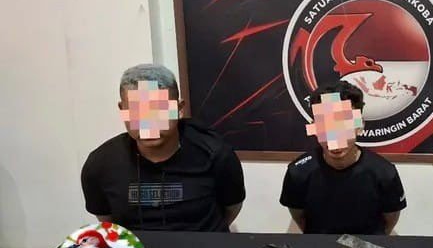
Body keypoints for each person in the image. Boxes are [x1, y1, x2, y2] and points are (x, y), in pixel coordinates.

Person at [81, 64, 245, 231]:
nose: (148, 124)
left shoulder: (216, 154)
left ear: (179, 109)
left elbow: (231, 209)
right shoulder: (100, 164)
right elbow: (107, 222)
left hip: (203, 245)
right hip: (134, 247)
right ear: (122, 109)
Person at [280, 81, 407, 234]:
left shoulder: (384, 173)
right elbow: (300, 218)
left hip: (368, 247)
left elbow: (389, 222)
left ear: (360, 126)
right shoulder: (298, 173)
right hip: (318, 247)